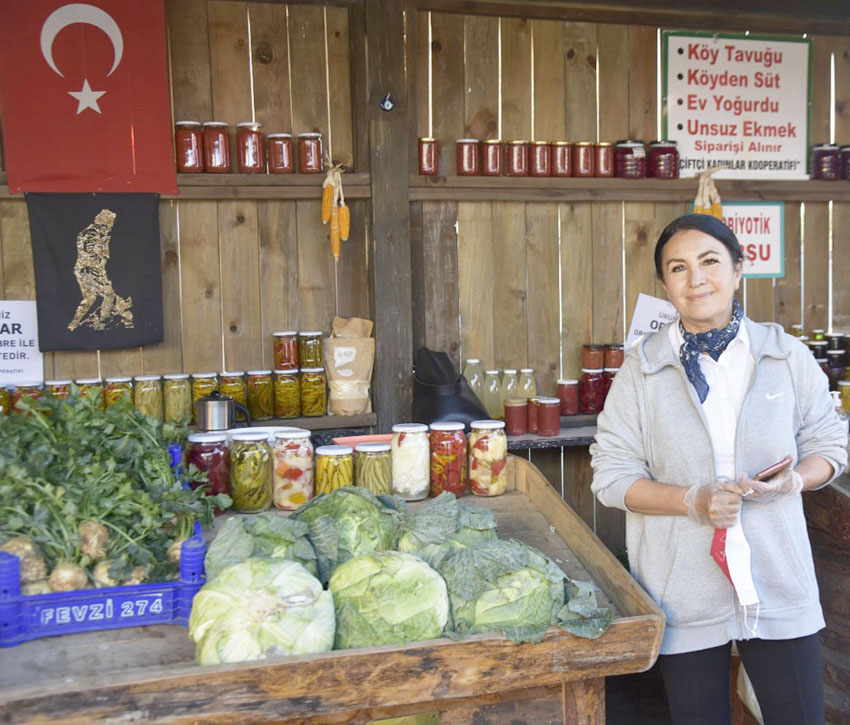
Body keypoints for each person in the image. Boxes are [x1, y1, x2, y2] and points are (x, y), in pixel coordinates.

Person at [590, 213, 847, 724]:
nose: (696, 279)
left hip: (777, 577)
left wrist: (797, 479)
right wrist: (692, 500)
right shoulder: (642, 370)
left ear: (738, 269)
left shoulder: (784, 355)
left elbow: (831, 443)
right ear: (665, 285)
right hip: (683, 586)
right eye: (678, 268)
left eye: (710, 262)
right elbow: (611, 475)